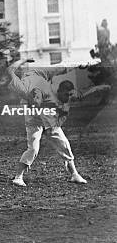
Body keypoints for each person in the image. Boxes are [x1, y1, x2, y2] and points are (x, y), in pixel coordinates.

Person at [8, 58, 87, 187]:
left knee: (64, 144)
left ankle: (74, 175)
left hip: (49, 118)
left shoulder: (43, 77)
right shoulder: (22, 87)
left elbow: (63, 66)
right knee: (33, 148)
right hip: (33, 119)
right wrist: (22, 61)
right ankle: (18, 177)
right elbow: (10, 70)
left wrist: (79, 64)